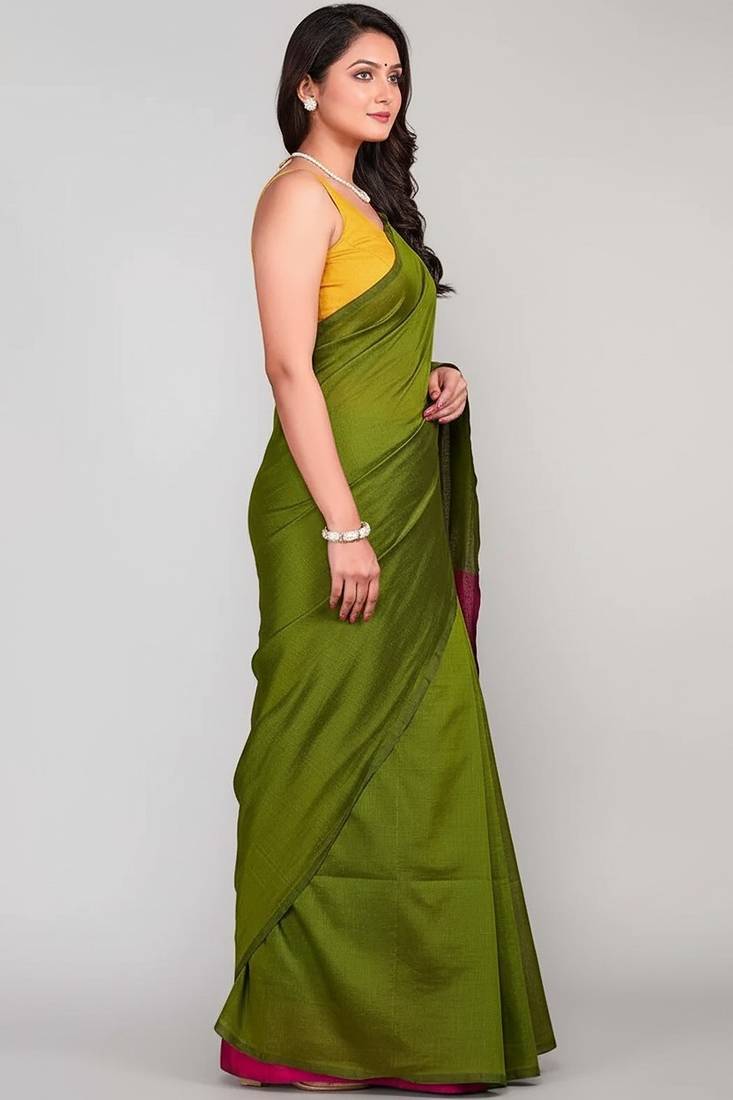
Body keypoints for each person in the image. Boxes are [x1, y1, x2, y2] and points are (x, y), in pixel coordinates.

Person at [214, 4, 557, 1092]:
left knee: (424, 746)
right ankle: (292, 1032)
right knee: (314, 749)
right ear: (306, 84)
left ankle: (415, 1029)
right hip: (331, 511)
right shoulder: (294, 196)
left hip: (401, 500)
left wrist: (438, 376)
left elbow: (366, 350)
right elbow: (290, 369)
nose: (384, 91)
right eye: (361, 71)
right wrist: (342, 526)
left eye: (395, 75)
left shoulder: (370, 203)